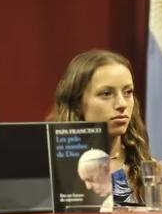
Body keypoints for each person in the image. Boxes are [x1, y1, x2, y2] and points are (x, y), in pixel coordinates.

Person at [48, 49, 151, 204]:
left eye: (128, 92)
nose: (121, 104)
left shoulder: (144, 166)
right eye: (106, 93)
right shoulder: (52, 169)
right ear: (77, 104)